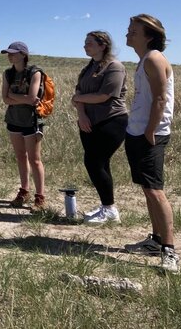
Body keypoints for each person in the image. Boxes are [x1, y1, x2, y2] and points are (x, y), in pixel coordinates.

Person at [122, 15, 179, 272]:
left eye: (133, 30)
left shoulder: (154, 58)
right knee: (147, 188)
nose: (128, 33)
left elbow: (160, 99)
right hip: (138, 132)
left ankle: (169, 251)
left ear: (149, 35)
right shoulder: (143, 59)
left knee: (155, 190)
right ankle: (156, 241)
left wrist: (149, 131)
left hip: (150, 134)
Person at [71, 31, 128, 225]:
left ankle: (110, 209)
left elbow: (104, 95)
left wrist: (78, 99)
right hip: (88, 121)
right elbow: (78, 92)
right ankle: (107, 207)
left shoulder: (115, 67)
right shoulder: (88, 68)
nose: (85, 46)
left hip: (111, 120)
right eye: (85, 43)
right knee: (100, 164)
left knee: (94, 162)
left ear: (103, 45)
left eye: (89, 43)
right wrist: (82, 114)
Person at [0, 42, 46, 211]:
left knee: (34, 159)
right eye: (8, 53)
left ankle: (40, 197)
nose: (9, 56)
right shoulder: (8, 73)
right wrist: (22, 98)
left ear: (23, 55)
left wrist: (13, 95)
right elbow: (5, 99)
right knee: (20, 156)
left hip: (31, 120)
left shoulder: (35, 72)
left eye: (13, 53)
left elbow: (33, 98)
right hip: (14, 119)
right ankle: (24, 191)